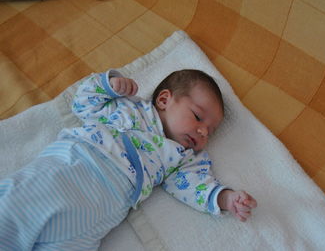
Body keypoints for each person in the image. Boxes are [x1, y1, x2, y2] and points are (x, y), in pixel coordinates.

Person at [0, 69, 257, 250]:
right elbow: (83, 104)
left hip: (98, 214)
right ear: (165, 99)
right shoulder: (128, 108)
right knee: (12, 212)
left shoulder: (183, 158)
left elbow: (195, 185)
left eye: (209, 132)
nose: (202, 132)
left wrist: (225, 198)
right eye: (198, 117)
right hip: (71, 168)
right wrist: (109, 85)